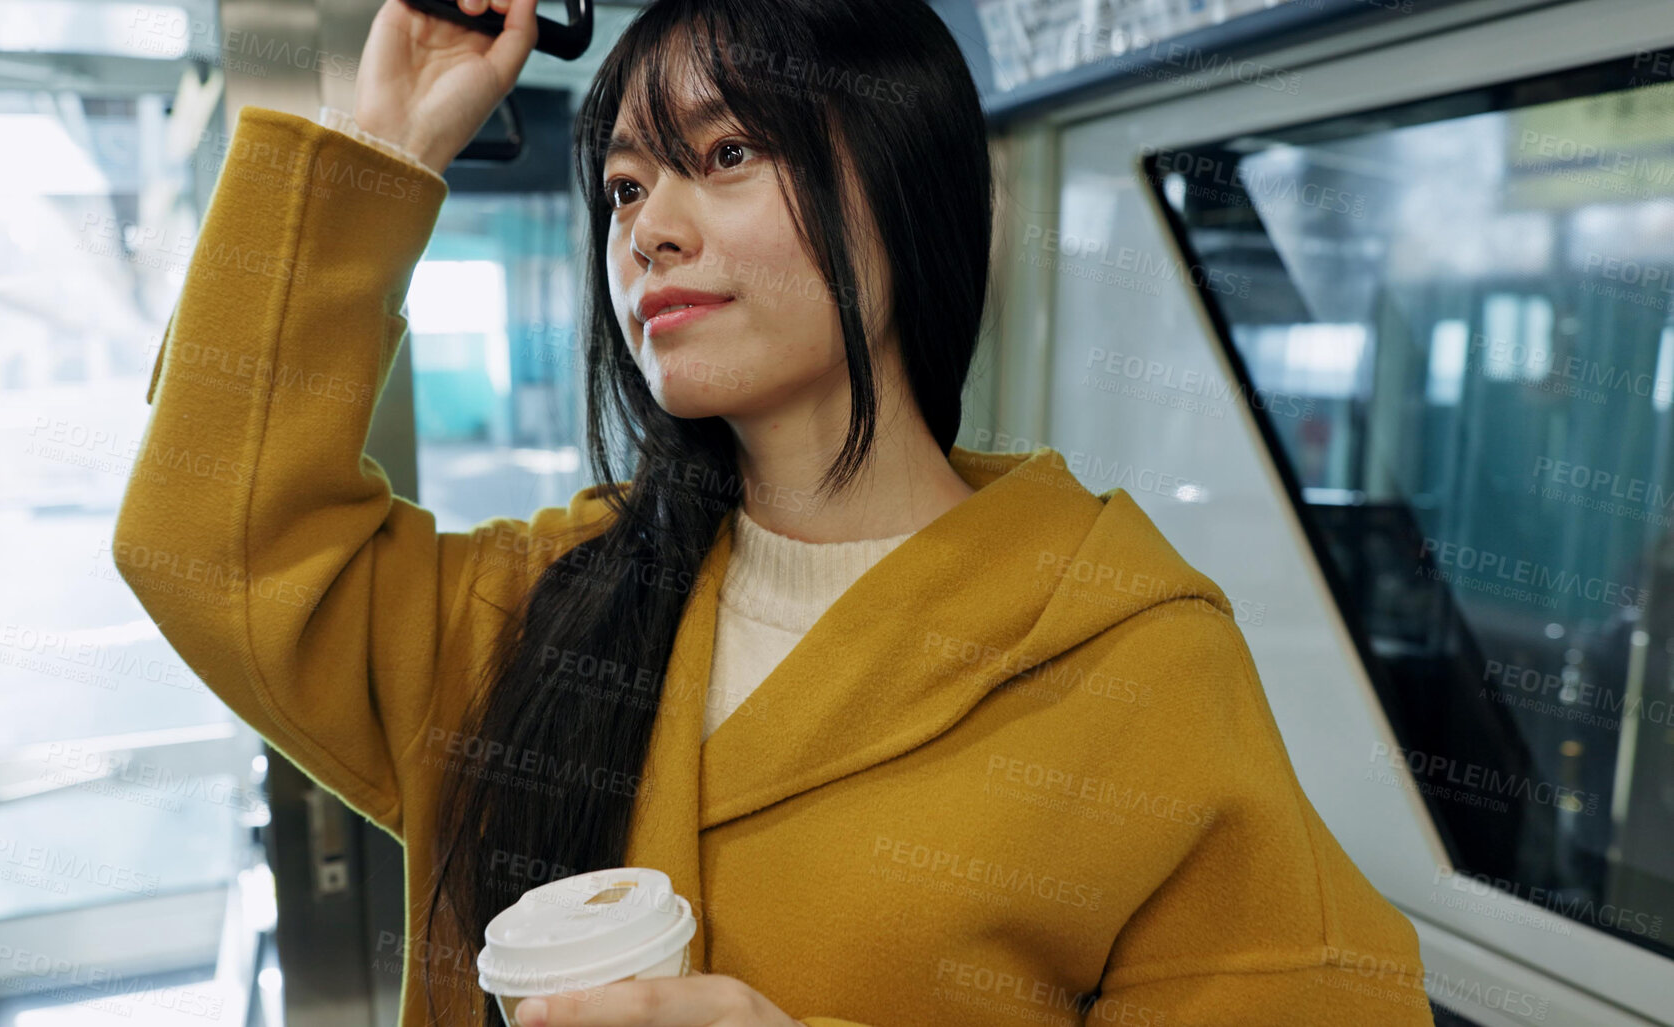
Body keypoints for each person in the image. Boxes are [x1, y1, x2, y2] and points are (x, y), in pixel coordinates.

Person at [111, 0, 1437, 1023]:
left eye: (727, 154)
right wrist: (381, 139)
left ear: (906, 189)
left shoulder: (1131, 661)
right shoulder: (542, 606)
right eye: (627, 187)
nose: (647, 231)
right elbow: (210, 539)